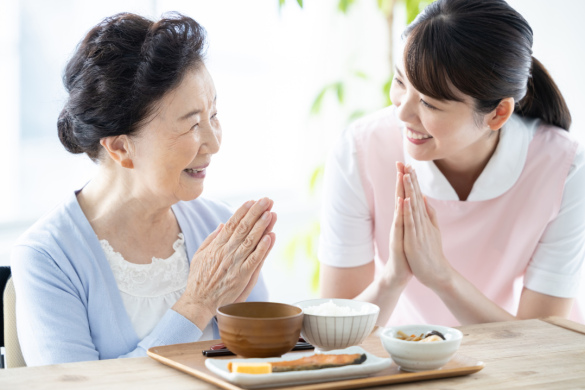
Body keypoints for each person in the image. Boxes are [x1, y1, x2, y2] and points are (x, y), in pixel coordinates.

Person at [11, 12, 277, 366]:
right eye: (193, 124)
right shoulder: (47, 257)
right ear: (120, 148)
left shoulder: (219, 226)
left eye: (213, 116)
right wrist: (196, 306)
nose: (213, 143)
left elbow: (265, 364)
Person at [318, 0, 585, 326]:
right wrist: (392, 279)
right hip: (404, 361)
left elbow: (543, 340)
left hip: (521, 370)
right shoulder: (360, 149)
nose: (402, 113)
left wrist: (441, 277)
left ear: (498, 113)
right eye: (401, 82)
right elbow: (333, 326)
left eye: (429, 102)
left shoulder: (563, 167)